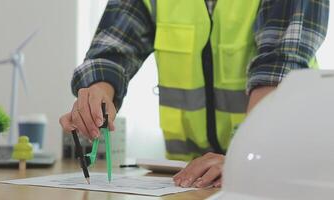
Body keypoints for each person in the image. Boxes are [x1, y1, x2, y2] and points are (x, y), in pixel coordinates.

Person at [60, 0, 329, 189]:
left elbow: (279, 65)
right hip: (191, 181)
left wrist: (241, 161)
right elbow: (112, 49)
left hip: (277, 171)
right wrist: (97, 92)